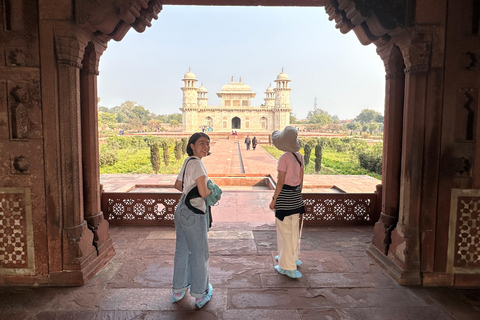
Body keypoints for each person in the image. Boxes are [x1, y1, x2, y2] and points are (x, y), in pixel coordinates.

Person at [171, 132, 213, 308]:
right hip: (194, 213)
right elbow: (204, 193)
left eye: (208, 144)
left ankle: (178, 290)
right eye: (201, 143)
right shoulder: (198, 165)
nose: (206, 147)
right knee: (199, 253)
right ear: (192, 146)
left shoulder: (187, 162)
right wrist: (213, 190)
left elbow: (177, 185)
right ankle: (200, 293)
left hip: (181, 209)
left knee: (182, 250)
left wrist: (192, 187)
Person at [269, 126, 306, 279]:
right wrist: (297, 193)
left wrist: (273, 200)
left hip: (284, 198)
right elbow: (302, 178)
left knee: (284, 232)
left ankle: (287, 267)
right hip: (296, 197)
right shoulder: (299, 156)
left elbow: (280, 182)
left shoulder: (284, 158)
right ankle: (292, 257)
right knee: (293, 230)